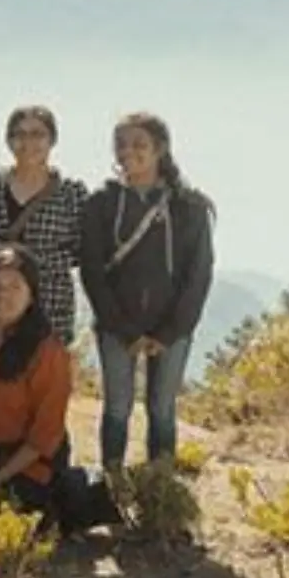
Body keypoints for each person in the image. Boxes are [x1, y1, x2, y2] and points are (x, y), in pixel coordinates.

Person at [79, 112, 215, 473]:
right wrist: (125, 330)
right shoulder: (101, 205)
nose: (128, 152)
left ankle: (160, 489)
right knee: (117, 408)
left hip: (172, 328)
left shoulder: (190, 207)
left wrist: (170, 331)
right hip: (116, 327)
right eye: (121, 144)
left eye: (139, 144)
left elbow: (198, 275)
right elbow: (92, 271)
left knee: (162, 409)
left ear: (161, 149)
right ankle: (112, 485)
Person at [0, 244, 86, 526]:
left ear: (31, 295)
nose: (3, 295)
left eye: (15, 287)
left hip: (26, 462)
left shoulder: (48, 353)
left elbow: (45, 435)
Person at [0, 106, 89, 344]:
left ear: (52, 140)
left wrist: (36, 262)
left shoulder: (72, 192)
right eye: (20, 134)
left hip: (50, 299)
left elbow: (84, 248)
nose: (28, 142)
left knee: (45, 370)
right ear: (9, 141)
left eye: (37, 134)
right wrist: (1, 257)